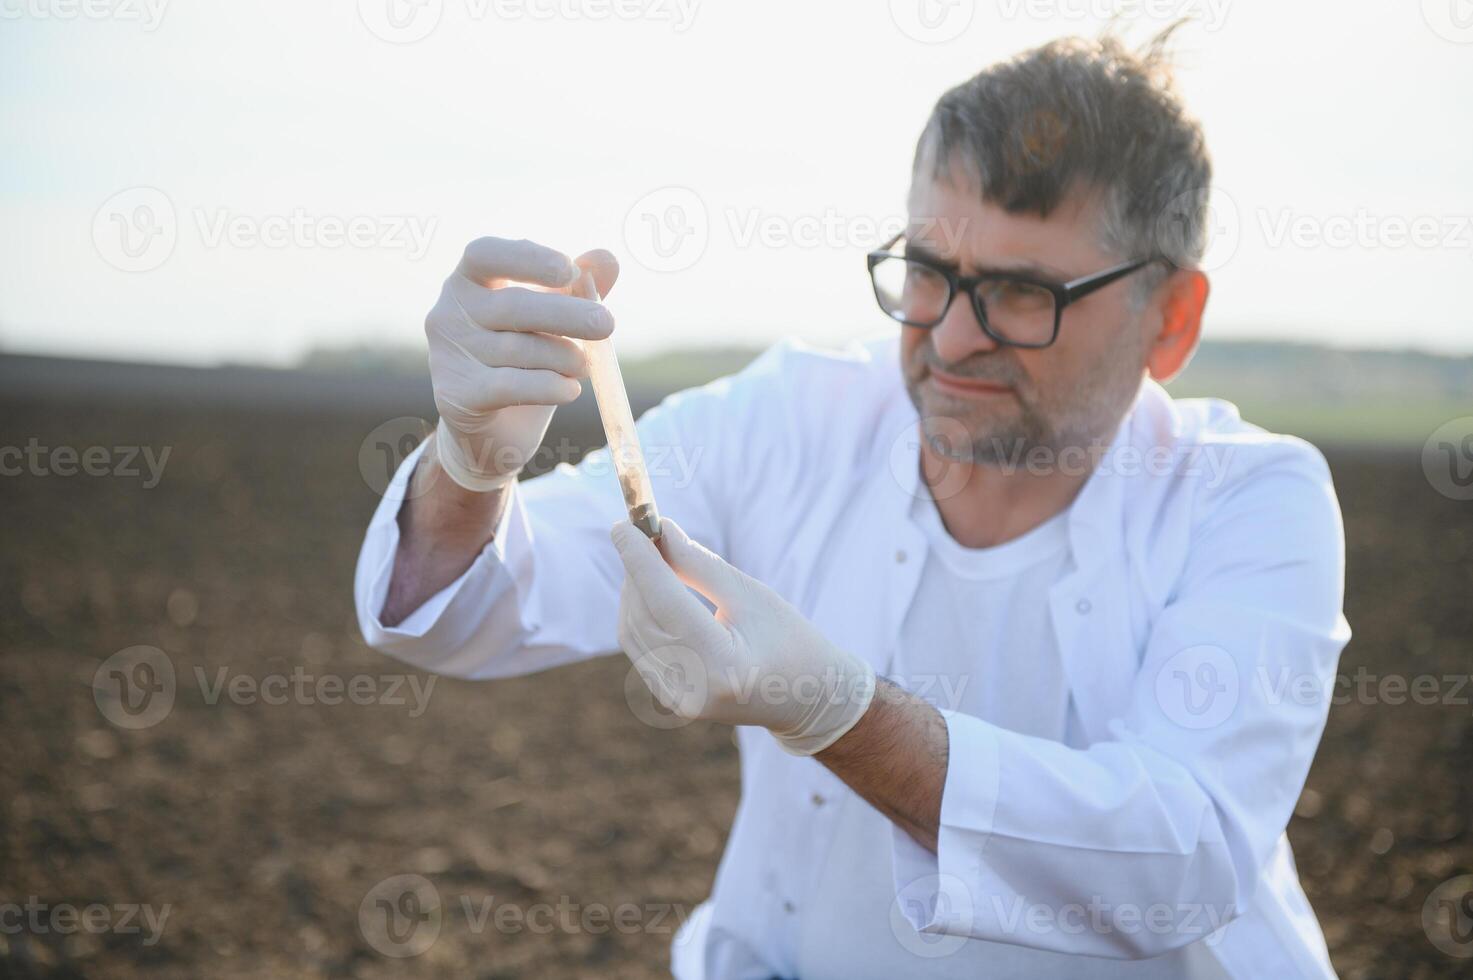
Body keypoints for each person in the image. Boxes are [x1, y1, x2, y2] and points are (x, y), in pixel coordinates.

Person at [354, 31, 1349, 979]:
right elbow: (479, 607)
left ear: (1169, 319)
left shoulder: (1247, 500)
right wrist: (469, 468)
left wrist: (836, 709)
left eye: (1018, 293)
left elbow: (1177, 856)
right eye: (928, 271)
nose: (954, 337)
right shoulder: (797, 416)